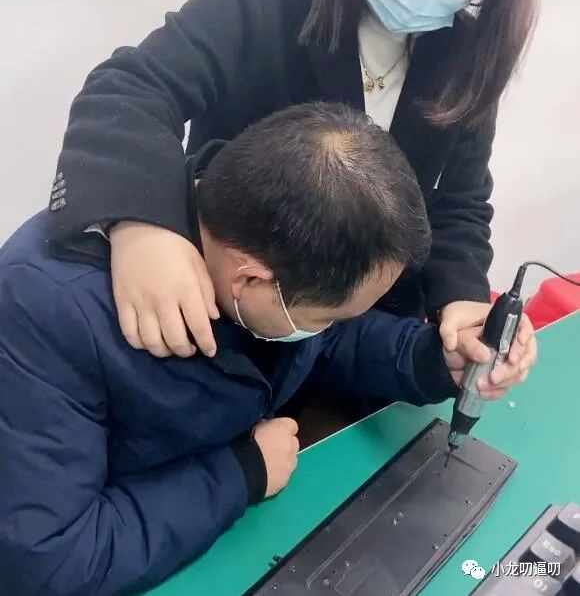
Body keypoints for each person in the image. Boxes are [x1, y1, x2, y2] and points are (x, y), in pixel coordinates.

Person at [48, 0, 539, 362]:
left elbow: (460, 202)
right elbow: (128, 92)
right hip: (234, 322)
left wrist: (463, 301)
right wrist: (141, 226)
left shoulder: (467, 57)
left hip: (367, 344)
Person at [1, 104, 536, 596]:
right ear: (251, 281)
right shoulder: (45, 310)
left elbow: (329, 340)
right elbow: (48, 562)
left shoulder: (262, 234)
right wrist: (240, 473)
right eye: (329, 314)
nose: (330, 327)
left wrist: (432, 360)